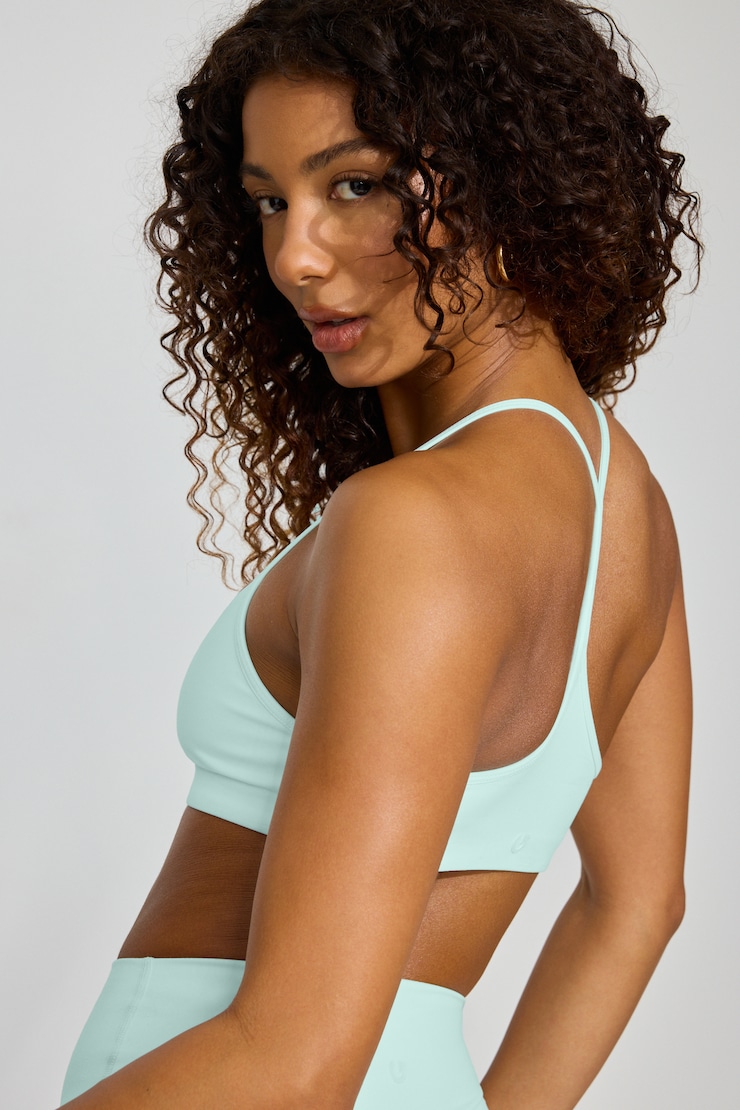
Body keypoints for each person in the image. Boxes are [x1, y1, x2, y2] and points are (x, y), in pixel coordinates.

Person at [57, 0, 699, 1106]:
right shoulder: (622, 499)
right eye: (269, 201)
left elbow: (295, 1062)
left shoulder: (410, 522)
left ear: (508, 175)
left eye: (353, 184)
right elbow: (636, 905)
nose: (294, 257)